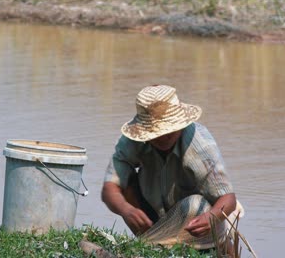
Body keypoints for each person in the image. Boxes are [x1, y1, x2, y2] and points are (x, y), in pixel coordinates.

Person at [101, 85, 241, 251]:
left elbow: (228, 199)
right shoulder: (133, 140)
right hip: (155, 213)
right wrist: (126, 210)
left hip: (197, 218)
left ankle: (213, 247)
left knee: (196, 205)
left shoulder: (200, 145)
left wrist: (210, 218)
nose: (163, 137)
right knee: (125, 185)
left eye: (169, 130)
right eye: (156, 133)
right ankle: (151, 245)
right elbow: (110, 188)